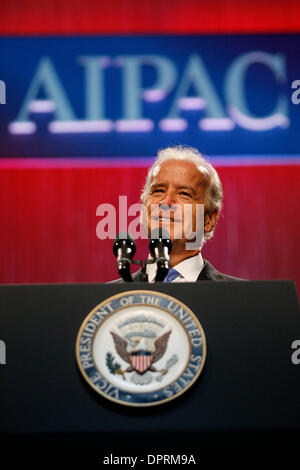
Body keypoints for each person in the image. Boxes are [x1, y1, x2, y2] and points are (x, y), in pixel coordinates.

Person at [113, 145, 241, 282]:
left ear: (209, 219)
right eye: (158, 191)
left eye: (184, 194)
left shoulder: (241, 297)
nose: (166, 202)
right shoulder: (110, 299)